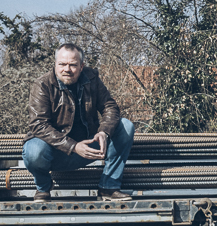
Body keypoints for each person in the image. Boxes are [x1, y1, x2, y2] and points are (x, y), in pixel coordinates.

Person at [23, 43, 135, 202]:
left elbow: (110, 107)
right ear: (55, 65)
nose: (66, 69)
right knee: (34, 150)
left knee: (126, 126)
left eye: (72, 65)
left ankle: (109, 187)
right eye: (62, 64)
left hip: (90, 147)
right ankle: (43, 188)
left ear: (82, 66)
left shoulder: (92, 78)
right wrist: (73, 146)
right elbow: (38, 125)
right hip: (55, 152)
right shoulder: (42, 85)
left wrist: (103, 132)